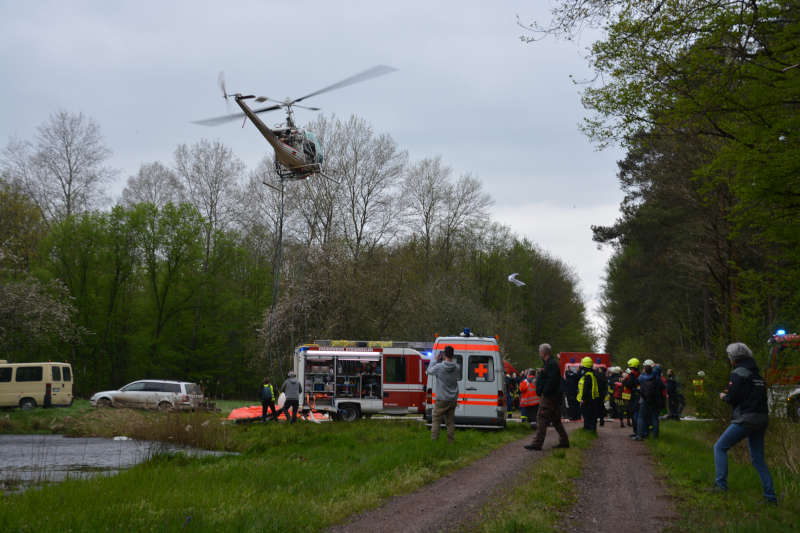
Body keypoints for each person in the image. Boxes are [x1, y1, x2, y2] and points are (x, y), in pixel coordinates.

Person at [712, 342, 777, 504]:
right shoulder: (757, 374)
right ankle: (770, 497)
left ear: (733, 358)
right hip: (762, 418)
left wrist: (723, 396)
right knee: (757, 458)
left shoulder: (738, 373)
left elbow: (733, 398)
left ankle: (720, 485)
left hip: (745, 418)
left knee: (720, 447)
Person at [525, 343, 570, 450]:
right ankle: (564, 441)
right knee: (555, 420)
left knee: (541, 417)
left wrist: (544, 392)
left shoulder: (551, 364)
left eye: (540, 352)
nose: (539, 354)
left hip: (549, 397)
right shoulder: (549, 364)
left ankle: (537, 443)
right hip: (553, 396)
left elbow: (551, 381)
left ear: (543, 352)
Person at [427, 345, 460, 442]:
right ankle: (451, 441)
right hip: (452, 398)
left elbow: (428, 371)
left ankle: (434, 440)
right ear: (453, 355)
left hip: (441, 398)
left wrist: (435, 360)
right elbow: (457, 377)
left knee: (436, 420)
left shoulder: (439, 366)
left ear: (444, 354)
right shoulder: (457, 367)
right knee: (450, 422)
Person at [633, 360, 664, 440]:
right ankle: (655, 437)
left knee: (641, 417)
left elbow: (637, 383)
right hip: (655, 399)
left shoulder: (642, 377)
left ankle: (639, 435)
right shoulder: (656, 377)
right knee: (654, 418)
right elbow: (662, 386)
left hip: (644, 399)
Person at [577, 356, 599, 432]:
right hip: (592, 398)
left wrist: (583, 399)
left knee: (587, 414)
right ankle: (590, 428)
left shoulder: (588, 376)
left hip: (587, 399)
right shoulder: (592, 374)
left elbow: (586, 389)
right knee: (590, 414)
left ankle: (588, 428)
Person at [623, 358, 641, 434]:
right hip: (638, 395)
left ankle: (636, 431)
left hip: (633, 396)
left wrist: (624, 380)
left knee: (634, 413)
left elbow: (628, 384)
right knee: (636, 413)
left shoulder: (632, 374)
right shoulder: (638, 373)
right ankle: (637, 431)